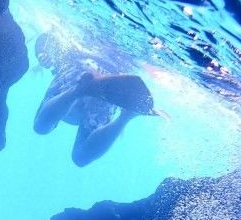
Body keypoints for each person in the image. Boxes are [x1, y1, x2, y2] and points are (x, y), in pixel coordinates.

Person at [33, 32, 161, 167]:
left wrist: (41, 54)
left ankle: (80, 90)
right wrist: (42, 53)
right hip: (110, 76)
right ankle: (126, 116)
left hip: (81, 67)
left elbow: (47, 36)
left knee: (41, 127)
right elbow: (49, 36)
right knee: (80, 158)